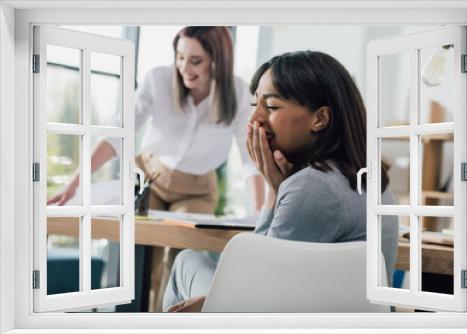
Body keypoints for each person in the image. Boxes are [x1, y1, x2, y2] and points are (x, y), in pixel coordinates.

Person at [162, 50, 399, 312]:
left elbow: (254, 285)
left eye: (272, 106)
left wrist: (274, 194)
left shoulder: (312, 185)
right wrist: (277, 189)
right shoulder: (371, 180)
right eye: (255, 106)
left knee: (185, 262)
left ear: (320, 119)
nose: (254, 120)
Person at [47, 26, 265, 309]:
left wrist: (259, 213)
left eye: (195, 61)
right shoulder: (158, 80)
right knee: (138, 252)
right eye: (180, 57)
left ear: (217, 61)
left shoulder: (236, 94)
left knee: (179, 255)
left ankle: (166, 319)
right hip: (150, 176)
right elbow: (117, 135)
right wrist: (71, 186)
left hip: (197, 189)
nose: (185, 68)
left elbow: (250, 161)